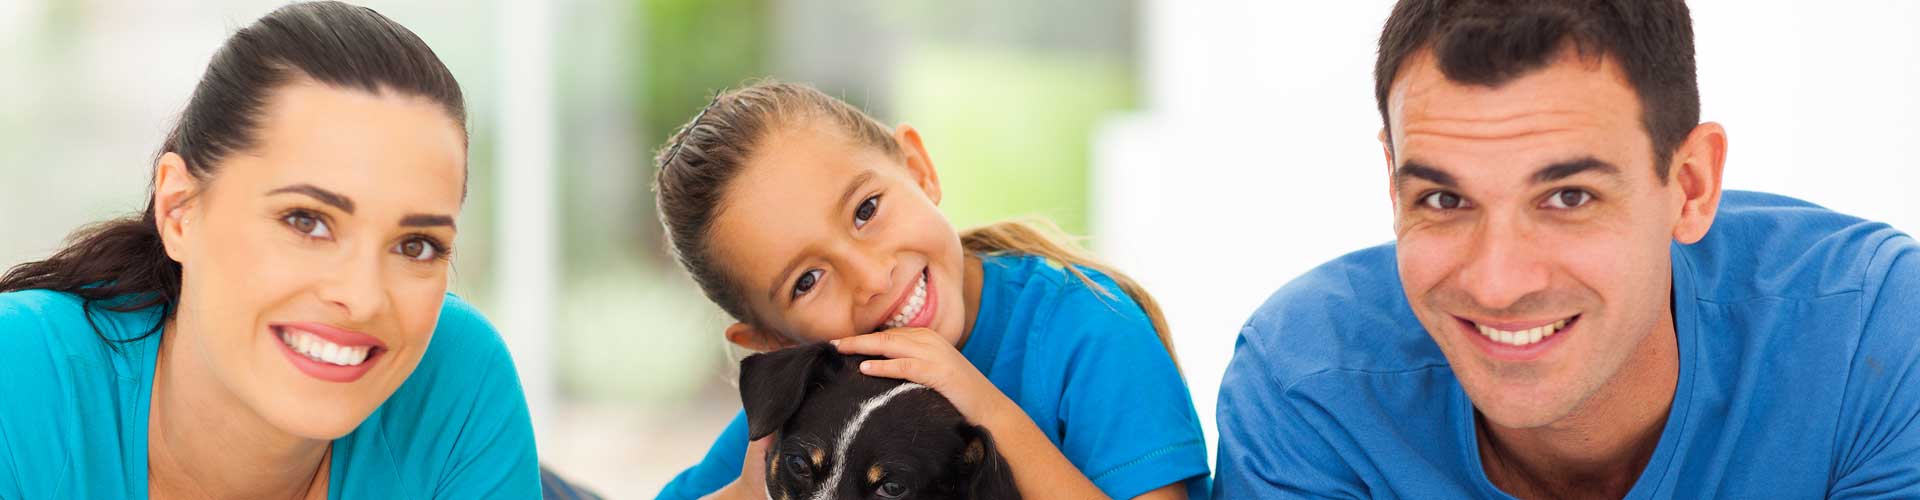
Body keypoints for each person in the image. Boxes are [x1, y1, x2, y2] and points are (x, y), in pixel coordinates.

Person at [1214, 0, 1919, 498]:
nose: (1497, 284)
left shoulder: (1870, 338)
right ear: (1393, 183)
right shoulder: (1308, 384)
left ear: (1692, 187)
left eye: (1569, 198)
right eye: (1443, 199)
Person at [0, 2, 539, 498]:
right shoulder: (19, 380)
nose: (362, 296)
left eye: (416, 245)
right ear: (179, 208)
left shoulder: (458, 382)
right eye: (306, 221)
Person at [650, 81, 1209, 500]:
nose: (871, 279)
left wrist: (988, 408)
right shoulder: (813, 399)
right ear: (773, 341)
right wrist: (749, 493)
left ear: (918, 169)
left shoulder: (1092, 332)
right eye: (807, 281)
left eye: (866, 210)